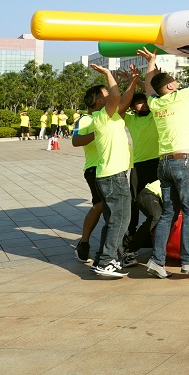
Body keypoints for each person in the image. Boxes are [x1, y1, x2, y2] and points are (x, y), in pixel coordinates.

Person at [138, 35, 189, 279]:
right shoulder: (181, 96)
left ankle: (156, 261)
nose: (177, 83)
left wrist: (151, 63)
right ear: (171, 87)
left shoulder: (155, 103)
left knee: (168, 214)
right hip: (184, 163)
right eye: (174, 81)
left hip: (164, 164)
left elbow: (149, 86)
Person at [86, 64, 140, 278]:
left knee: (114, 220)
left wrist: (134, 80)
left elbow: (124, 99)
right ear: (100, 100)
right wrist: (108, 73)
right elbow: (117, 96)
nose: (110, 94)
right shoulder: (102, 116)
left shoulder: (113, 115)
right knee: (120, 219)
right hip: (112, 176)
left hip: (112, 175)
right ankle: (107, 261)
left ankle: (102, 259)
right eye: (106, 93)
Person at [131, 179, 189, 250]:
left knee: (163, 219)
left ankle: (143, 243)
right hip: (148, 194)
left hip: (160, 199)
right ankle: (130, 248)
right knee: (156, 216)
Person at [124, 92, 160, 242]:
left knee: (159, 199)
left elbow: (153, 92)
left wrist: (137, 81)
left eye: (145, 101)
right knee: (134, 200)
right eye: (139, 102)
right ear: (132, 107)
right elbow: (120, 106)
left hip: (158, 163)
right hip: (138, 165)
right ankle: (132, 232)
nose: (144, 104)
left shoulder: (155, 115)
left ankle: (156, 231)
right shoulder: (130, 119)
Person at [72, 102, 105, 263]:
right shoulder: (84, 119)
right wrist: (98, 132)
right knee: (100, 205)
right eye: (104, 96)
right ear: (95, 100)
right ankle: (84, 243)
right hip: (94, 169)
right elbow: (76, 140)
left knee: (112, 206)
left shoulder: (108, 115)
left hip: (113, 168)